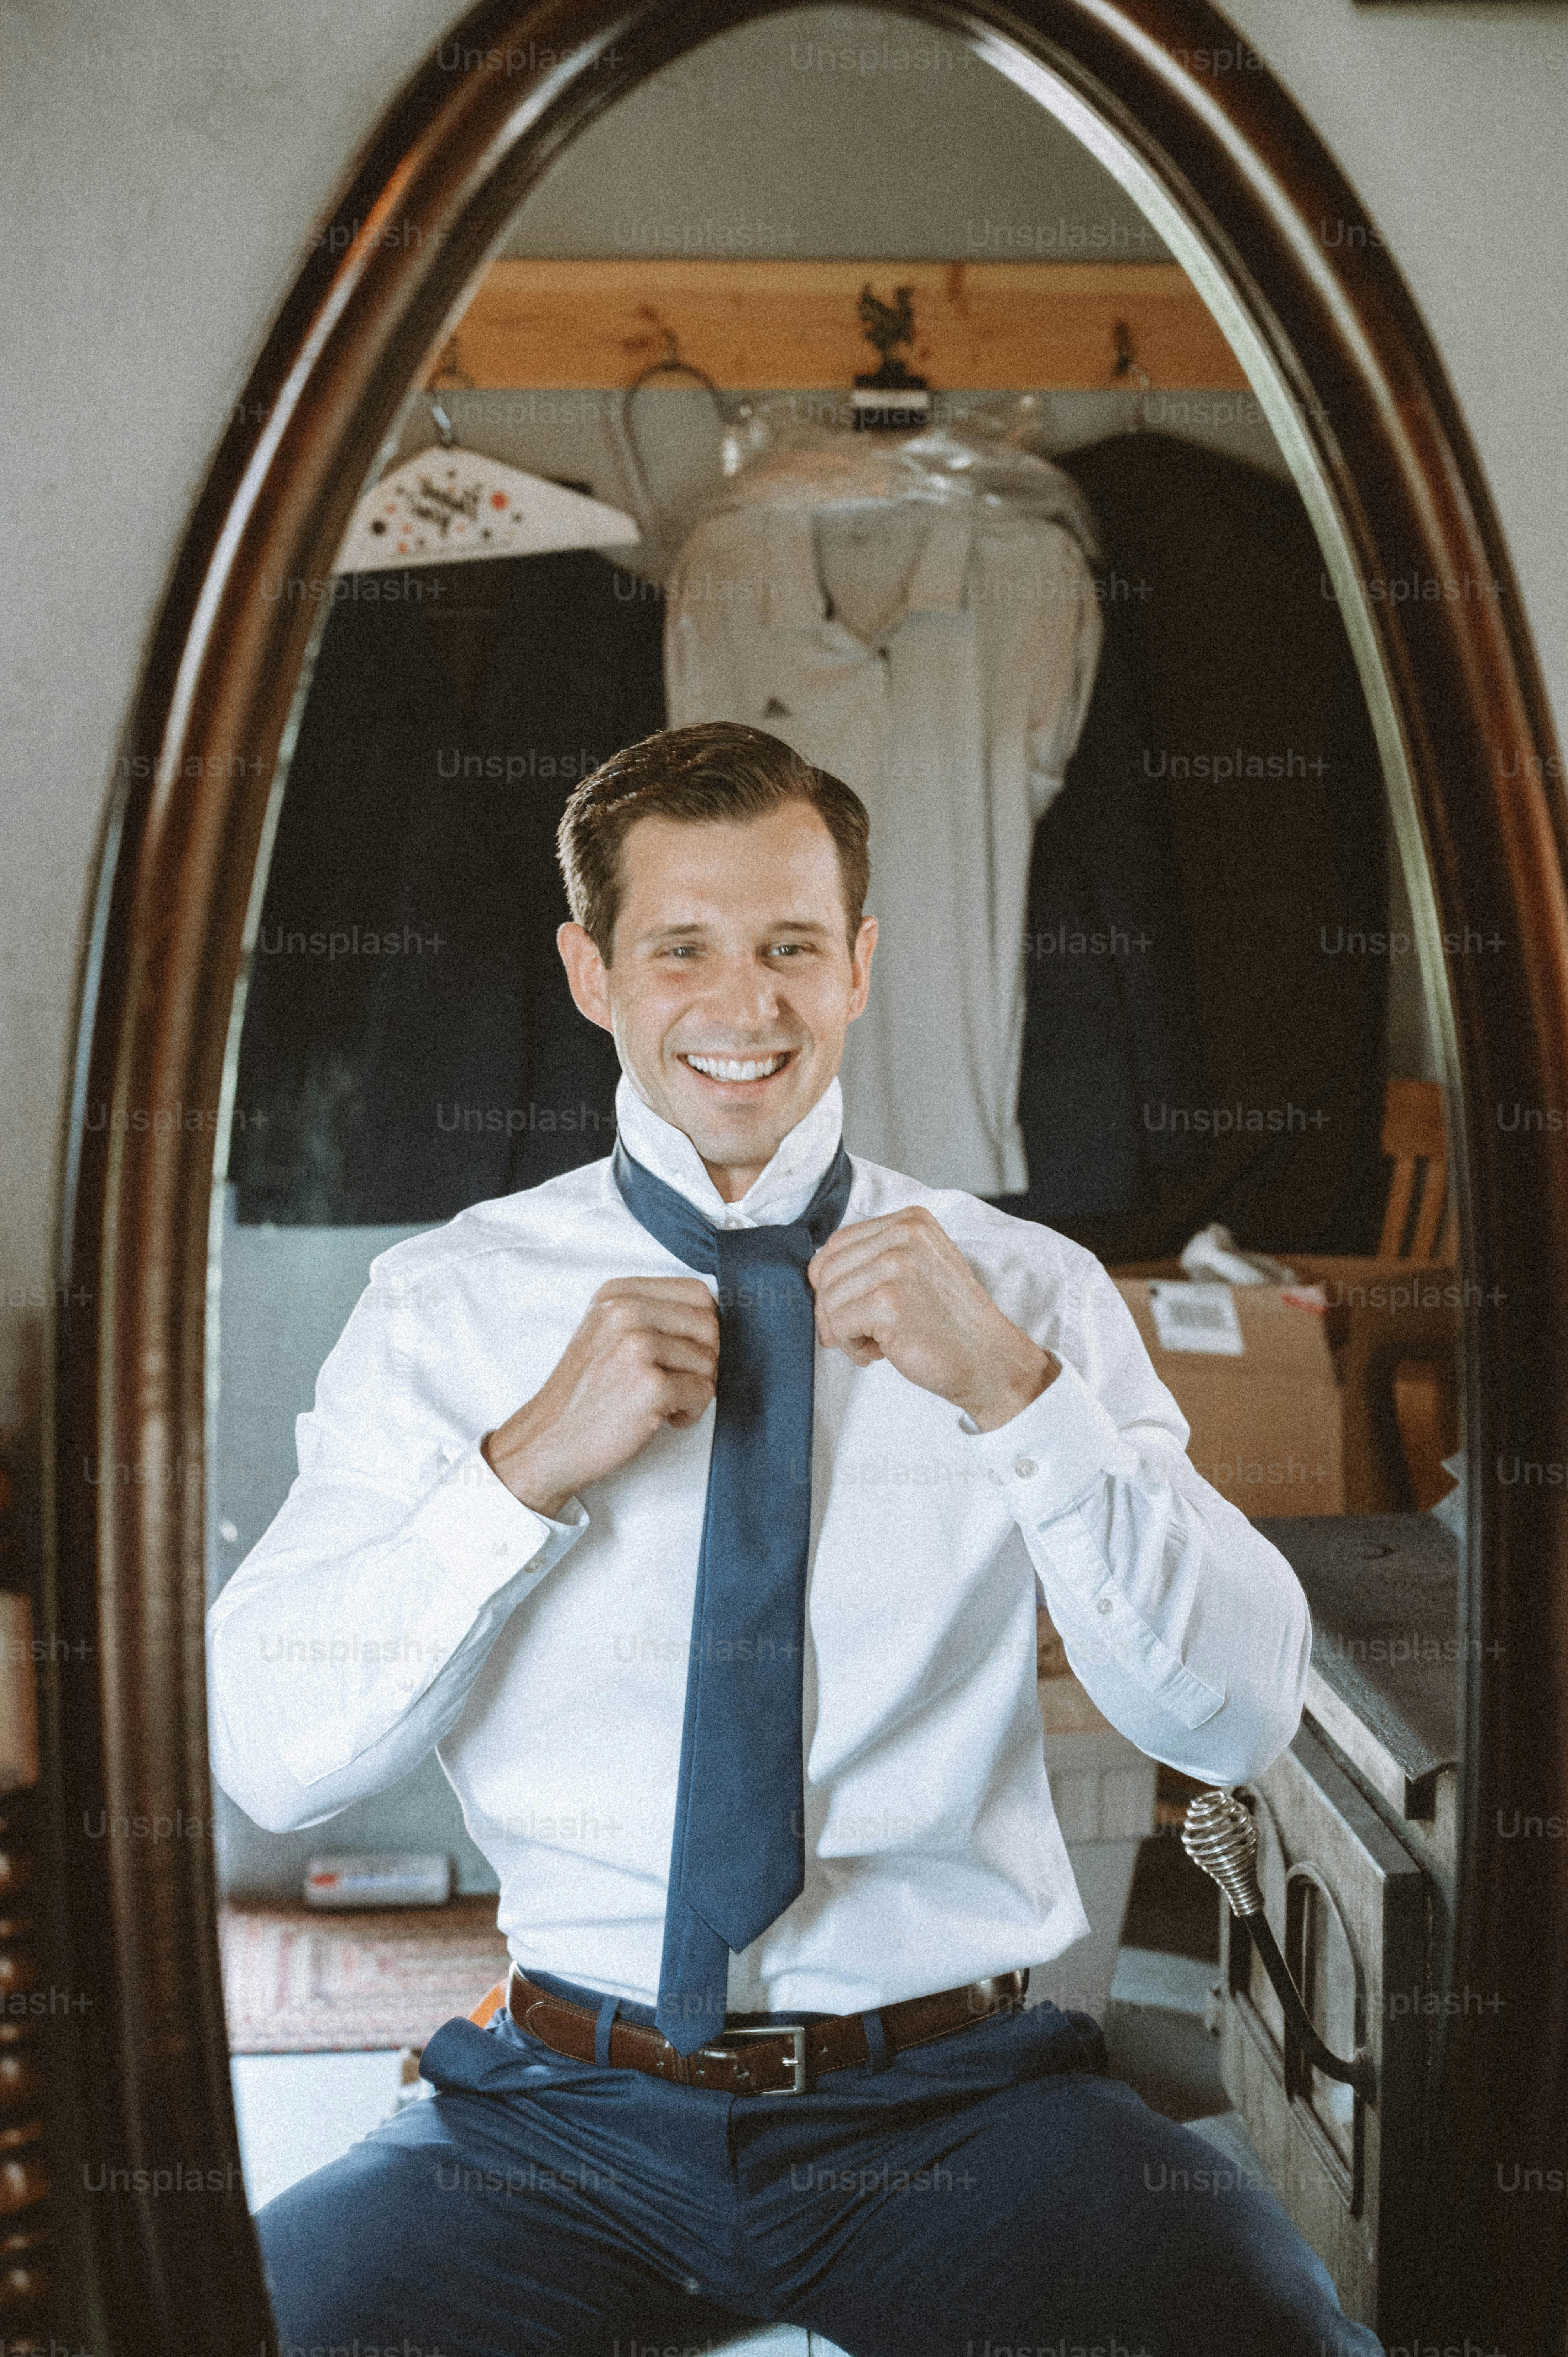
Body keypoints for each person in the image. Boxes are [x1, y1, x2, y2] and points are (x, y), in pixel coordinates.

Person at [208, 721, 1384, 2357]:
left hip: (957, 2106)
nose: (744, 1006)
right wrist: (522, 1470)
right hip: (557, 2109)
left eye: (789, 948)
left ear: (859, 966)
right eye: (681, 948)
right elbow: (273, 1760)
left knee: (1266, 2335)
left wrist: (1018, 1396)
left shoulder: (1027, 1291)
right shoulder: (443, 1308)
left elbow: (1234, 1717)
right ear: (591, 973)